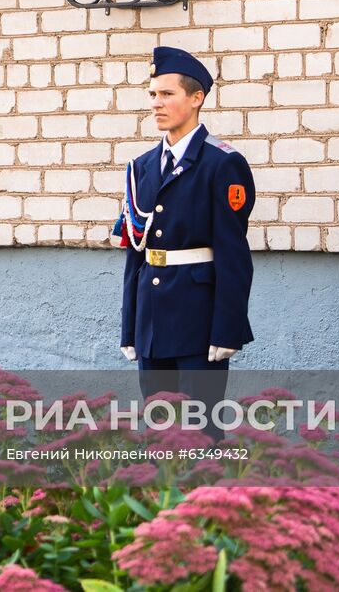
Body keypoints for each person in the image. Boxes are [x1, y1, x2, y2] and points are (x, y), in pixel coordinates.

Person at [113, 46, 255, 441]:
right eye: (153, 95)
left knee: (200, 432)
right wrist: (130, 327)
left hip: (199, 320)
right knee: (159, 432)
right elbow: (135, 251)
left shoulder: (222, 163)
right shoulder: (141, 166)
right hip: (152, 321)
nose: (157, 104)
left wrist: (227, 329)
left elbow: (233, 254)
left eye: (167, 94)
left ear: (196, 99)